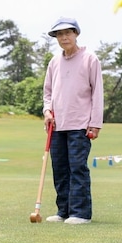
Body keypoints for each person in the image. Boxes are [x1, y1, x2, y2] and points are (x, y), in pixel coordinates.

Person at [42, 17, 104, 224]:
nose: (64, 37)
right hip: (57, 125)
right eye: (59, 34)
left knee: (77, 167)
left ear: (76, 34)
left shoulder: (90, 59)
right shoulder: (54, 62)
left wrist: (95, 123)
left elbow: (97, 93)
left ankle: (80, 213)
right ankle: (64, 211)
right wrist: (47, 110)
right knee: (59, 169)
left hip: (80, 125)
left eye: (67, 33)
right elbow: (48, 92)